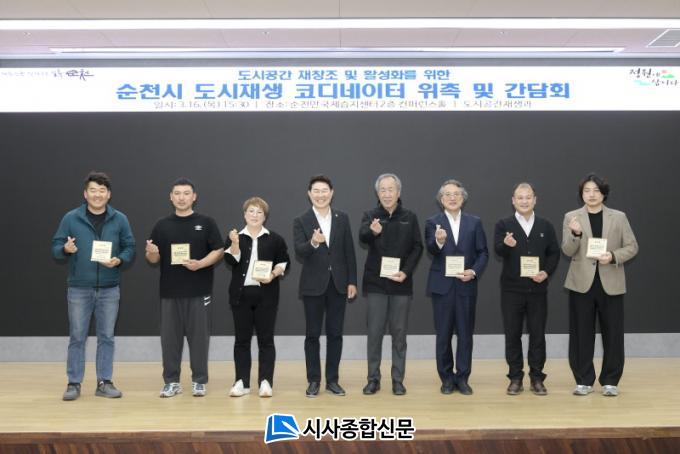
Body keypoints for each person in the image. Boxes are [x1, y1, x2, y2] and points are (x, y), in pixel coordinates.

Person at [52, 171, 135, 401]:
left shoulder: (120, 219)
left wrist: (119, 260)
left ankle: (104, 382)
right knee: (77, 337)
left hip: (110, 288)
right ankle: (73, 383)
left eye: (102, 190)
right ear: (85, 194)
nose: (97, 194)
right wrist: (65, 249)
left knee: (106, 336)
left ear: (108, 194)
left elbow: (130, 247)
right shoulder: (71, 218)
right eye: (93, 190)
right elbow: (56, 247)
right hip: (79, 288)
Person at [145, 178, 224, 398]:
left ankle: (199, 380)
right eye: (177, 193)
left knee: (199, 339)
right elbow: (153, 258)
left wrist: (201, 264)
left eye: (186, 193)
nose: (182, 197)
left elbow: (218, 250)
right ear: (171, 197)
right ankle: (171, 382)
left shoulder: (206, 222)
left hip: (199, 292)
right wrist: (151, 252)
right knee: (170, 340)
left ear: (194, 197)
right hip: (170, 292)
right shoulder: (162, 225)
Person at [562, 173, 638, 397]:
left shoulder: (619, 217)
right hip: (581, 283)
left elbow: (632, 247)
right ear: (581, 194)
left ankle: (611, 381)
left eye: (596, 190)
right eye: (587, 191)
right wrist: (575, 233)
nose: (591, 195)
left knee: (613, 334)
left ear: (603, 194)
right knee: (581, 334)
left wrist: (612, 256)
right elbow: (567, 250)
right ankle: (583, 380)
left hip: (610, 282)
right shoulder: (571, 217)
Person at [293, 175, 358, 398]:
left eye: (324, 191)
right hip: (313, 285)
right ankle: (314, 380)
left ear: (331, 193)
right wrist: (313, 242)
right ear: (309, 194)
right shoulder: (301, 220)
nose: (320, 195)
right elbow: (299, 251)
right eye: (316, 191)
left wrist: (352, 281)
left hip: (338, 284)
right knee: (312, 335)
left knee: (335, 334)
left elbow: (349, 251)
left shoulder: (342, 218)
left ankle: (332, 380)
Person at [359, 173, 422, 396]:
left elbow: (417, 247)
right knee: (374, 334)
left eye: (391, 189)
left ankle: (398, 380)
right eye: (383, 190)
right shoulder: (370, 216)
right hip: (376, 284)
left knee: (399, 334)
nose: (387, 194)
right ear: (377, 193)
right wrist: (372, 231)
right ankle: (373, 379)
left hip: (400, 283)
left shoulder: (409, 217)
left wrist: (406, 272)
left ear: (398, 192)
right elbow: (362, 236)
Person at [493, 183, 559, 396]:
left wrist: (546, 272)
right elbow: (498, 250)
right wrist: (506, 244)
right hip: (511, 290)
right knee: (512, 335)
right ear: (513, 200)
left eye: (528, 197)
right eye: (520, 198)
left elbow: (554, 253)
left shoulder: (545, 225)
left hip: (537, 290)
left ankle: (537, 378)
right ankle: (515, 377)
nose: (524, 201)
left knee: (538, 335)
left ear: (535, 200)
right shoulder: (504, 224)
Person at [424, 179, 488, 395]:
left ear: (463, 198)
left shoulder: (474, 222)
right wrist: (439, 241)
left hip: (465, 286)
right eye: (448, 195)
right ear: (441, 199)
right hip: (442, 287)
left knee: (465, 335)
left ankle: (462, 378)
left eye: (456, 194)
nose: (452, 198)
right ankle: (446, 379)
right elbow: (431, 249)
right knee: (443, 335)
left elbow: (483, 252)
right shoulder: (433, 222)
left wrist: (474, 271)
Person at [224, 197, 290, 398]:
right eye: (251, 211)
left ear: (265, 216)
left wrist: (273, 275)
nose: (255, 215)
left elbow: (284, 262)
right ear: (245, 214)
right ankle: (241, 382)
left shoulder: (275, 239)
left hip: (266, 295)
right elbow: (230, 260)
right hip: (241, 295)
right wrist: (235, 244)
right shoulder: (235, 236)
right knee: (241, 340)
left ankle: (265, 382)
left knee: (266, 340)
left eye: (259, 212)